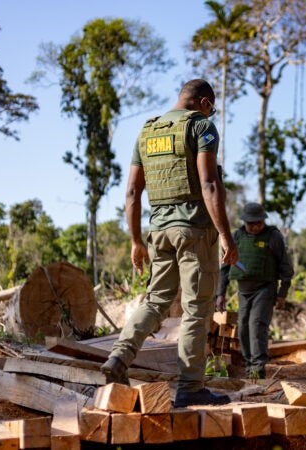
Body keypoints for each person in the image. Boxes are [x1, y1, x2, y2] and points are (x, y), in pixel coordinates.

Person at [100, 79, 238, 407]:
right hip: (193, 231)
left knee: (155, 300)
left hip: (158, 231)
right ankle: (190, 388)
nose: (212, 112)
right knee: (196, 308)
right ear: (204, 102)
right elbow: (209, 183)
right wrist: (225, 234)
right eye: (212, 106)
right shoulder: (202, 126)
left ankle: (119, 357)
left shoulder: (147, 132)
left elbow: (133, 192)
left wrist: (136, 241)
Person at [215, 202, 293, 379]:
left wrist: (282, 294)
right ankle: (249, 365)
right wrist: (220, 294)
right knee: (243, 327)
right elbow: (225, 268)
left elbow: (285, 267)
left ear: (263, 221)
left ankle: (258, 369)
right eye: (251, 223)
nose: (255, 227)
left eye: (259, 223)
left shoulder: (273, 237)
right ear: (244, 222)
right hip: (244, 291)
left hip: (265, 289)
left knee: (256, 325)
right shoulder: (236, 237)